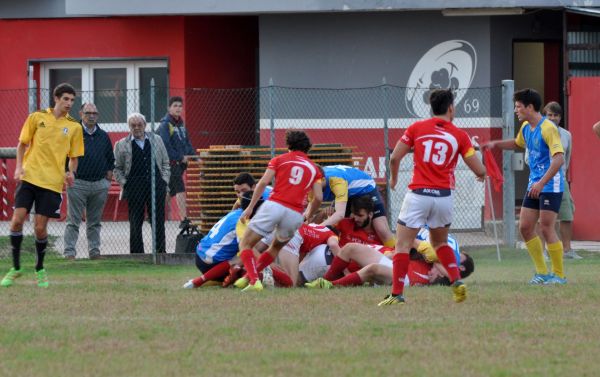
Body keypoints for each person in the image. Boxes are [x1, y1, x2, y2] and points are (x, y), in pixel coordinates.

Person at [380, 88, 486, 306]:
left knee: (402, 245)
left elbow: (394, 158)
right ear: (450, 108)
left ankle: (397, 294)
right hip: (444, 196)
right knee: (439, 243)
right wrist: (481, 174)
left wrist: (393, 180)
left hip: (418, 193)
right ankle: (456, 281)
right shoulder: (460, 135)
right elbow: (478, 169)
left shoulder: (417, 128)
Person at [1, 83, 84, 288]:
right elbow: (22, 145)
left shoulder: (74, 127)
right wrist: (19, 167)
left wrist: (70, 172)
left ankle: (39, 268)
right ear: (56, 98)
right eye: (65, 99)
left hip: (52, 183)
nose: (69, 103)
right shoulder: (37, 117)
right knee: (17, 221)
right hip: (29, 178)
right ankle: (16, 268)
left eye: (72, 100)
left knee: (39, 228)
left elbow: (74, 158)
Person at [484, 88, 566, 285]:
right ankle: (541, 273)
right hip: (534, 185)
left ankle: (559, 275)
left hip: (549, 185)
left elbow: (559, 159)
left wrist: (541, 182)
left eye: (518, 107)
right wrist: (495, 144)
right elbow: (517, 143)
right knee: (526, 227)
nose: (516, 110)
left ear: (530, 107)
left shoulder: (548, 128)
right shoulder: (526, 128)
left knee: (546, 228)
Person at [234, 129, 323, 292]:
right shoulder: (314, 169)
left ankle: (253, 280)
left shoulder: (280, 159)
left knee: (245, 243)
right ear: (307, 148)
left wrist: (250, 206)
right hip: (295, 214)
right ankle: (249, 278)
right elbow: (318, 197)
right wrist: (308, 215)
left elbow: (262, 183)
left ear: (288, 145)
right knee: (275, 248)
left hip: (275, 205)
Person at [183, 191, 265, 288]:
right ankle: (199, 281)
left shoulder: (236, 213)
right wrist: (268, 265)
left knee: (247, 261)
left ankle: (212, 280)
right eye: (262, 207)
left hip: (200, 254)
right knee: (245, 259)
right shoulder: (243, 222)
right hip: (210, 262)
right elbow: (247, 249)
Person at [63, 103, 114, 260]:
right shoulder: (72, 132)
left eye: (94, 113)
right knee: (73, 221)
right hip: (77, 183)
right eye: (88, 113)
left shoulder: (103, 135)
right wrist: (67, 174)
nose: (92, 116)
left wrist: (107, 179)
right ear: (80, 113)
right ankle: (69, 253)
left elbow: (109, 158)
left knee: (95, 222)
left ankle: (94, 251)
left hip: (99, 184)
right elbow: (64, 156)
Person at [113, 113, 170, 254]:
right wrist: (124, 183)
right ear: (129, 127)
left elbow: (166, 163)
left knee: (158, 220)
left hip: (156, 184)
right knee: (135, 222)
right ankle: (137, 254)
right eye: (133, 125)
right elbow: (117, 168)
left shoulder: (157, 140)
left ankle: (160, 252)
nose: (137, 128)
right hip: (134, 186)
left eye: (140, 125)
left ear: (145, 125)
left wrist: (164, 181)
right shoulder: (121, 144)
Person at [318, 165, 395, 248]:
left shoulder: (334, 181)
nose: (356, 218)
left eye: (360, 215)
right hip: (347, 190)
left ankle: (396, 255)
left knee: (381, 228)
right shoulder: (318, 178)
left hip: (365, 188)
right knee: (334, 221)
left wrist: (316, 228)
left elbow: (339, 214)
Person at [542, 102, 580, 259]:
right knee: (542, 217)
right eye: (549, 115)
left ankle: (567, 250)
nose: (552, 118)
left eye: (555, 115)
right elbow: (528, 158)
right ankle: (543, 252)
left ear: (560, 117)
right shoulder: (537, 132)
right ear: (544, 116)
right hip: (542, 180)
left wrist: (561, 174)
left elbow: (567, 158)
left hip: (560, 179)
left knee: (567, 213)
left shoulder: (566, 135)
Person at [157, 96, 195, 227]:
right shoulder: (165, 125)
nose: (178, 108)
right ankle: (184, 219)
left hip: (181, 164)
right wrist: (180, 157)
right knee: (180, 188)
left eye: (180, 106)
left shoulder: (181, 125)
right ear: (169, 108)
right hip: (170, 164)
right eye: (175, 106)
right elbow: (165, 146)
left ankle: (155, 213)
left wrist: (194, 156)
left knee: (171, 191)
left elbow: (187, 143)